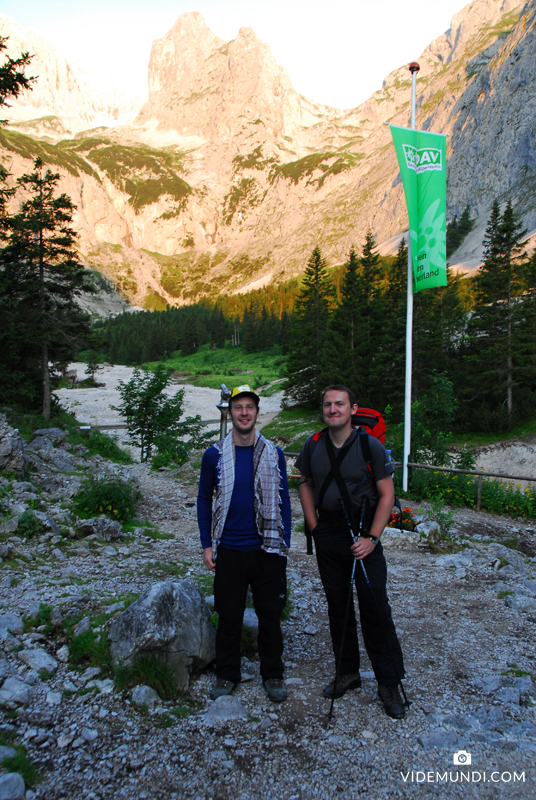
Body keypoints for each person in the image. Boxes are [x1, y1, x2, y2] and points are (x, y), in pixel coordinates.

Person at [296, 384, 406, 719]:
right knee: (337, 606)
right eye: (327, 404)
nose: (333, 410)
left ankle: (388, 681)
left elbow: (386, 495)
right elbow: (305, 482)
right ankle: (348, 672)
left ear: (352, 408)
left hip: (363, 532)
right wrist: (313, 525)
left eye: (339, 404)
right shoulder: (313, 444)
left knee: (375, 606)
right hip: (328, 533)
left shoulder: (370, 445)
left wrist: (372, 538)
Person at [197, 384, 292, 702]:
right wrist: (206, 544)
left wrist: (285, 543)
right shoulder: (214, 455)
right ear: (230, 412)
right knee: (229, 615)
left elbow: (284, 502)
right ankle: (227, 674)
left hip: (267, 548)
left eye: (249, 407)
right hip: (229, 548)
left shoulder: (273, 453)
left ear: (257, 413)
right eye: (238, 407)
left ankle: (273, 674)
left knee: (270, 614)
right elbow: (203, 499)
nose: (244, 412)